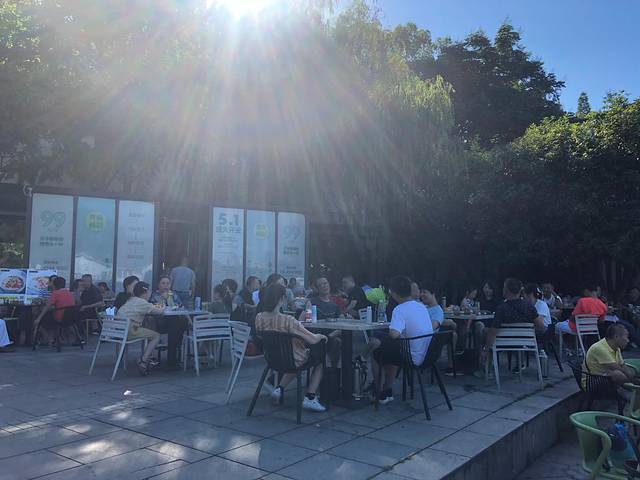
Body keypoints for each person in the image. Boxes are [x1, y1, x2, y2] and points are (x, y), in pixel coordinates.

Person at [255, 284, 327, 412]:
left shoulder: (259, 317)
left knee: (294, 358)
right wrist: (321, 336)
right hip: (293, 359)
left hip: (272, 360)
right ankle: (310, 396)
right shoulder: (287, 320)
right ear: (282, 299)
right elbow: (312, 339)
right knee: (320, 358)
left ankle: (279, 389)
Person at [374, 276, 433, 405]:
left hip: (412, 357)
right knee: (391, 349)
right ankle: (386, 388)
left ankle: (379, 389)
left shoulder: (400, 309)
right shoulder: (421, 307)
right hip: (429, 355)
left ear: (393, 293)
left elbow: (394, 334)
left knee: (377, 349)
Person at [482, 278, 545, 367]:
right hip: (525, 341)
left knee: (485, 331)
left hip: (503, 342)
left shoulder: (501, 308)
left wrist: (486, 349)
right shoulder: (528, 306)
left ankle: (485, 366)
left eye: (504, 287)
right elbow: (541, 326)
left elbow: (493, 332)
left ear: (506, 290)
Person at [116, 282, 162, 375]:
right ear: (146, 292)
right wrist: (163, 306)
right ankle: (143, 360)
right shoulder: (142, 302)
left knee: (147, 329)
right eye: (150, 291)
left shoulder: (131, 300)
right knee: (156, 336)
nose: (150, 294)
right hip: (129, 330)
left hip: (118, 330)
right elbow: (159, 312)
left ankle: (147, 359)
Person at [583, 324, 636, 393]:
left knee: (630, 371)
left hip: (604, 377)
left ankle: (631, 389)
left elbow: (622, 365)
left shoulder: (616, 347)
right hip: (592, 382)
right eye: (626, 337)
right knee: (617, 374)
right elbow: (618, 368)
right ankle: (632, 389)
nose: (628, 340)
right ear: (616, 337)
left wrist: (632, 375)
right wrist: (634, 380)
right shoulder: (600, 349)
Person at [33, 277, 77, 344]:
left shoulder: (55, 293)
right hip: (70, 318)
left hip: (59, 318)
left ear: (54, 285)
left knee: (39, 320)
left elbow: (47, 307)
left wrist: (38, 318)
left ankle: (49, 339)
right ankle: (56, 338)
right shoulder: (69, 293)